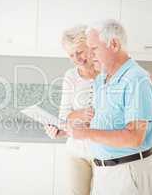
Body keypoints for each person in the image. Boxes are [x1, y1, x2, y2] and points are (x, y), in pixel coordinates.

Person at [66, 19, 152, 195]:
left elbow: (134, 137)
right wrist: (82, 127)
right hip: (104, 172)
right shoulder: (102, 79)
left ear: (114, 44)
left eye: (94, 49)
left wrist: (86, 133)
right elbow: (106, 123)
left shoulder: (137, 79)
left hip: (126, 172)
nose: (89, 56)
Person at [45, 25, 99, 195]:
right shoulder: (71, 76)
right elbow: (64, 116)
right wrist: (81, 115)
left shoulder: (107, 71)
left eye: (80, 52)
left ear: (90, 47)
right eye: (71, 55)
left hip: (105, 153)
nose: (77, 58)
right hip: (77, 151)